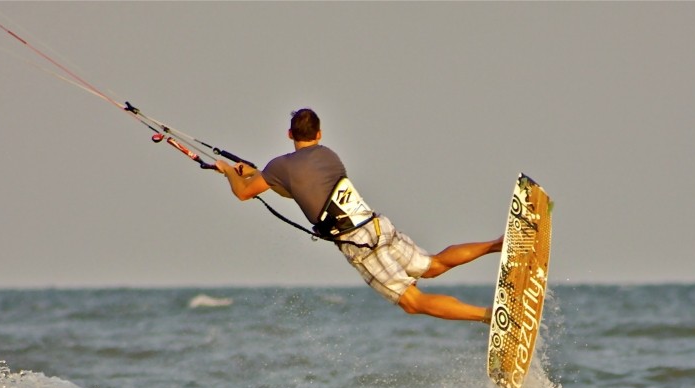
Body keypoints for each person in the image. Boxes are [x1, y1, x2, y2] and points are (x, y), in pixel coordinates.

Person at [214, 108, 502, 323]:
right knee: (432, 264)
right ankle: (498, 244)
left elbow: (243, 193)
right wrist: (255, 173)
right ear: (319, 134)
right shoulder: (329, 155)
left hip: (358, 244)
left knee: (412, 302)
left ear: (290, 134)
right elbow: (298, 191)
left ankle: (489, 316)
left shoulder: (279, 166)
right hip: (377, 226)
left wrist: (228, 170)